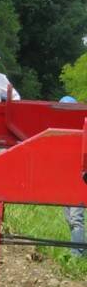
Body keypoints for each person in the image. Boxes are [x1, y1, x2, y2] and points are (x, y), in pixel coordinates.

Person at [59, 95, 85, 257]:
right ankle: (80, 250)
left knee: (76, 219)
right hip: (67, 179)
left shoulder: (83, 131)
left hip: (80, 178)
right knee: (69, 218)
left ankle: (78, 254)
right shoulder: (60, 132)